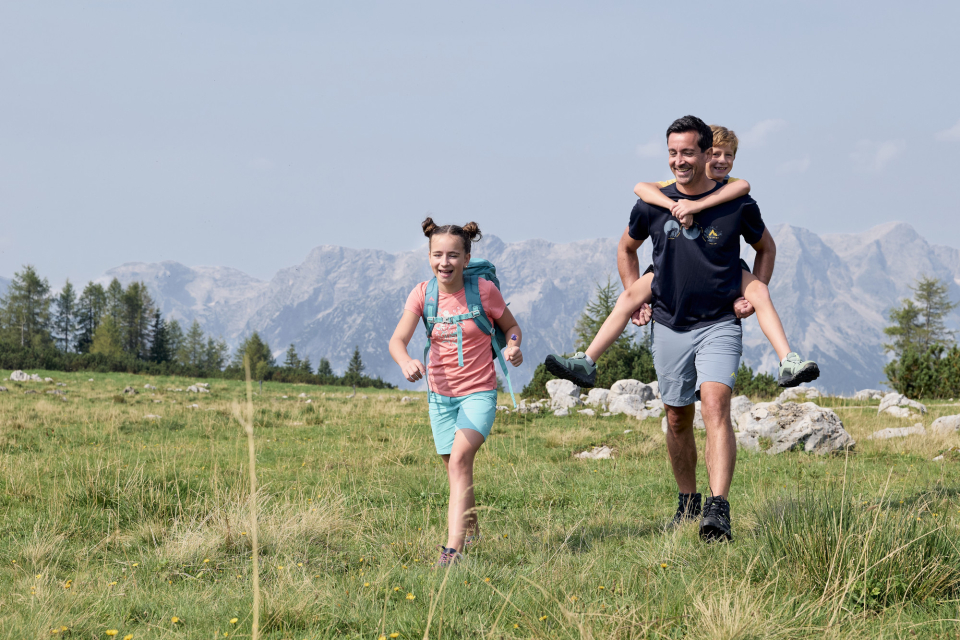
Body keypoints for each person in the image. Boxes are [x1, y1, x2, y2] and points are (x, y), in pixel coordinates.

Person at [561, 115, 774, 542]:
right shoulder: (652, 202)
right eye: (673, 153)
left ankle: (718, 509)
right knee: (677, 417)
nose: (680, 160)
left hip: (719, 322)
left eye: (688, 152)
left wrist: (756, 291)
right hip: (669, 323)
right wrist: (634, 296)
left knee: (715, 405)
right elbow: (626, 248)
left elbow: (765, 247)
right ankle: (688, 501)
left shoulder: (736, 203)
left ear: (705, 153)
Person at [545, 125, 818, 389]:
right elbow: (641, 187)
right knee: (628, 298)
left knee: (759, 291)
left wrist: (696, 206)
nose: (721, 161)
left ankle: (787, 360)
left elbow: (744, 188)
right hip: (668, 275)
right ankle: (587, 361)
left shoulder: (737, 194)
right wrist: (676, 206)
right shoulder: (671, 188)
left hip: (724, 275)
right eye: (715, 154)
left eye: (729, 155)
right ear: (704, 155)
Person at [388, 218, 523, 567]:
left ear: (466, 258)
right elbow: (397, 341)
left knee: (460, 461)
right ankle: (473, 530)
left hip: (479, 393)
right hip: (439, 398)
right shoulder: (422, 294)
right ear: (429, 256)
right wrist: (405, 362)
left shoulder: (484, 292)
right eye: (437, 255)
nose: (443, 263)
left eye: (452, 255)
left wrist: (512, 347)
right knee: (455, 470)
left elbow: (511, 328)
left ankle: (453, 551)